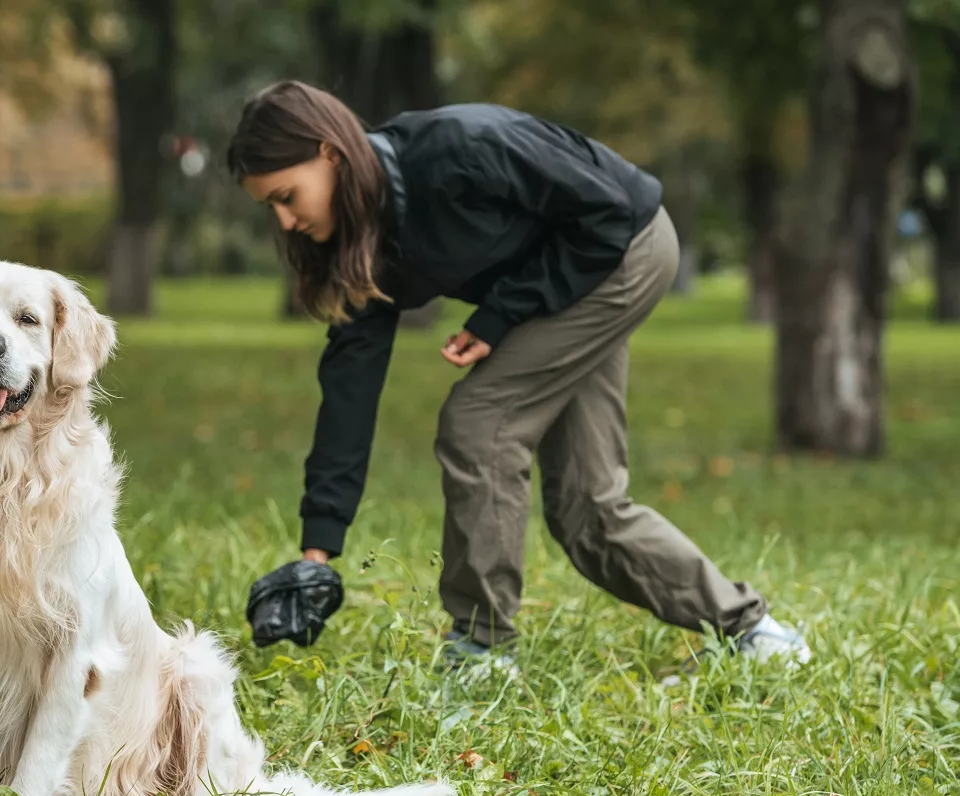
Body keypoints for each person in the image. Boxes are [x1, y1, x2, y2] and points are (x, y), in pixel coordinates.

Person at [227, 80, 811, 672]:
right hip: (571, 275)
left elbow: (605, 214)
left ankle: (480, 651)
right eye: (269, 207)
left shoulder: (460, 149)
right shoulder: (363, 243)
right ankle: (756, 632)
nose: (285, 219)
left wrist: (500, 315)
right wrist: (316, 556)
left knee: (480, 423)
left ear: (330, 154)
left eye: (287, 195)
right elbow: (349, 392)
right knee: (588, 508)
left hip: (623, 248)